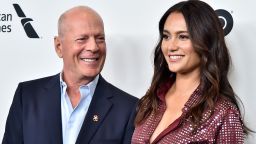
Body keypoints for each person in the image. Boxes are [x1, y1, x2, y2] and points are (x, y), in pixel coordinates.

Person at [3, 6, 138, 144]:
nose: (94, 47)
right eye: (82, 39)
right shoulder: (27, 96)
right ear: (59, 46)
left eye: (100, 38)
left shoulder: (129, 108)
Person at [132, 0, 251, 143]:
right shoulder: (151, 99)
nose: (171, 46)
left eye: (183, 37)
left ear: (207, 42)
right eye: (166, 36)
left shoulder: (223, 113)